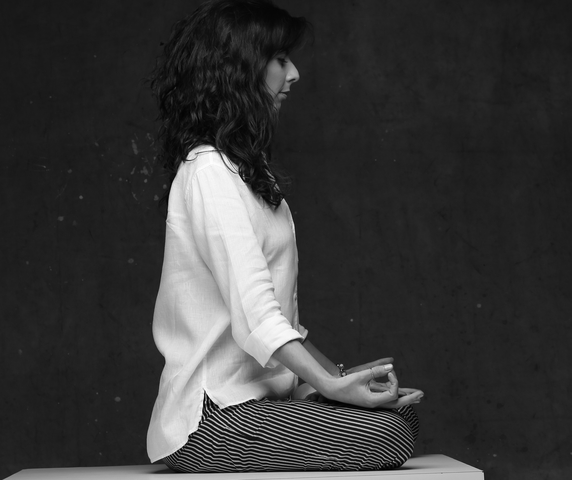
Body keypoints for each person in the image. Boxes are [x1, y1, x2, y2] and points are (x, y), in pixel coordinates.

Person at [146, 0, 424, 472]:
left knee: (398, 415)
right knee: (389, 434)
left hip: (263, 399)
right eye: (279, 59)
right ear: (239, 69)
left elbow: (280, 321)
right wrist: (331, 388)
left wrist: (341, 378)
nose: (293, 74)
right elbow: (256, 316)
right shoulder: (208, 172)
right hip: (211, 415)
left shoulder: (248, 174)